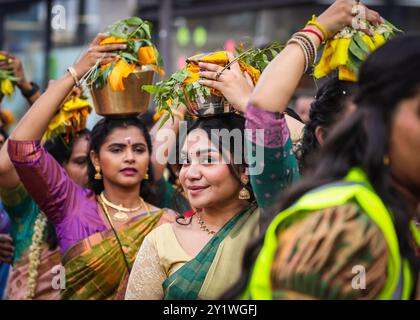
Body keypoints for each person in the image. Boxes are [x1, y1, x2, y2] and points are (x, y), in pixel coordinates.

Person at [230, 33, 420, 300]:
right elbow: (265, 116)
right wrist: (317, 31)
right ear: (376, 124)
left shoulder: (389, 216)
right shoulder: (345, 225)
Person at [7, 33, 176, 299]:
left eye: (139, 149)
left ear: (148, 160)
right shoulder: (71, 205)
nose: (129, 157)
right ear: (95, 159)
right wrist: (76, 72)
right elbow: (22, 147)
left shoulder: (168, 221)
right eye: (117, 149)